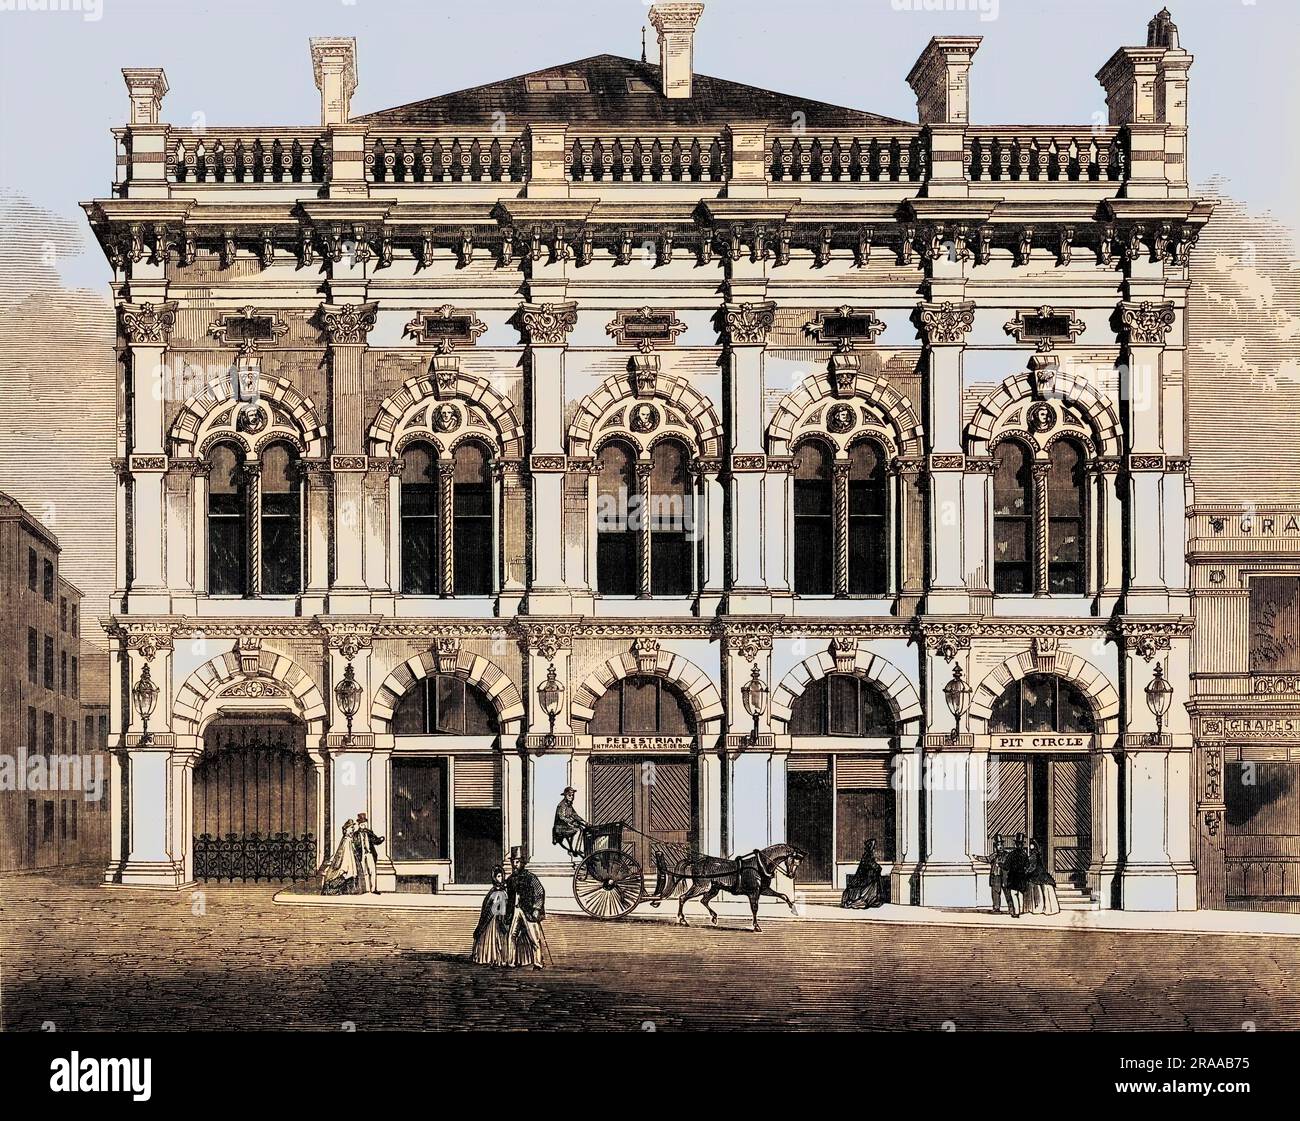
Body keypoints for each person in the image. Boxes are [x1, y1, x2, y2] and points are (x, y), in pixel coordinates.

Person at [505, 847, 547, 969]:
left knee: (535, 938)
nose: (514, 864)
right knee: (512, 936)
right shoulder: (510, 879)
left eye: (517, 862)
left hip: (528, 910)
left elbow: (539, 892)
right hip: (515, 910)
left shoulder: (531, 878)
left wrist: (536, 909)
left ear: (523, 863)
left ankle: (538, 962)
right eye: (513, 861)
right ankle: (511, 962)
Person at [471, 867, 511, 966]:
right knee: (490, 939)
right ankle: (490, 957)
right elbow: (488, 907)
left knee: (500, 938)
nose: (500, 878)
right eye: (498, 876)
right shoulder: (493, 892)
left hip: (501, 918)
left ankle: (501, 959)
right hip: (492, 919)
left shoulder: (503, 891)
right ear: (494, 878)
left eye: (501, 876)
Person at [841, 838, 885, 909]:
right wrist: (877, 868)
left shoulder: (868, 856)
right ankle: (859, 901)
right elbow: (872, 865)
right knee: (870, 887)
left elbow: (874, 866)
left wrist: (877, 868)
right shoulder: (867, 856)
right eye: (874, 848)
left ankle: (870, 900)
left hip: (868, 878)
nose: (874, 850)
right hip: (864, 880)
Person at [320, 819, 359, 895]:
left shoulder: (349, 840)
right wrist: (345, 867)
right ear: (346, 829)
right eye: (351, 828)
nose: (352, 830)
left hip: (349, 863)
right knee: (342, 874)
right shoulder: (346, 840)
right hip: (345, 864)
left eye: (353, 828)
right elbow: (345, 855)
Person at [352, 812, 385, 895]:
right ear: (358, 824)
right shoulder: (355, 834)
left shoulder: (369, 832)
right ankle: (365, 889)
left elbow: (375, 841)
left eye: (364, 823)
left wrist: (381, 839)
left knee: (373, 871)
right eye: (361, 823)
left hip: (370, 854)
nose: (363, 824)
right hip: (361, 855)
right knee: (363, 871)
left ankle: (373, 889)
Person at [1026, 840, 1061, 916]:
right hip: (1040, 876)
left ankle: (1039, 908)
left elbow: (1032, 867)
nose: (1031, 848)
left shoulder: (1033, 856)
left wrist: (1026, 872)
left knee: (1040, 892)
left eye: (1032, 846)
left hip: (1038, 876)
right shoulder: (1036, 855)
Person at [552, 787, 588, 858]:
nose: (571, 797)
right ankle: (575, 849)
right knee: (578, 830)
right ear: (565, 795)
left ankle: (577, 848)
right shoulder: (562, 805)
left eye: (572, 795)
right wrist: (572, 822)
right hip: (560, 828)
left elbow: (575, 815)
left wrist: (584, 822)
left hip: (566, 826)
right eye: (569, 795)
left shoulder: (569, 805)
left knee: (582, 828)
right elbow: (562, 817)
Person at [1002, 833, 1029, 918]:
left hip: (1013, 877)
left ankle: (1016, 912)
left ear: (1016, 844)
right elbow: (1027, 865)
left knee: (1014, 894)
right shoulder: (1024, 855)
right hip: (1021, 877)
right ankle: (1020, 911)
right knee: (1020, 894)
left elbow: (1006, 866)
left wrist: (1001, 865)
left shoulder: (1011, 854)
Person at [979, 834, 1006, 914]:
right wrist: (977, 857)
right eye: (998, 845)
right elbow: (987, 859)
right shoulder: (994, 855)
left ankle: (1012, 909)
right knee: (995, 892)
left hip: (1004, 876)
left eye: (1001, 844)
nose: (1000, 846)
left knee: (1007, 893)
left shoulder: (1006, 855)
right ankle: (996, 908)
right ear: (995, 846)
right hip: (995, 876)